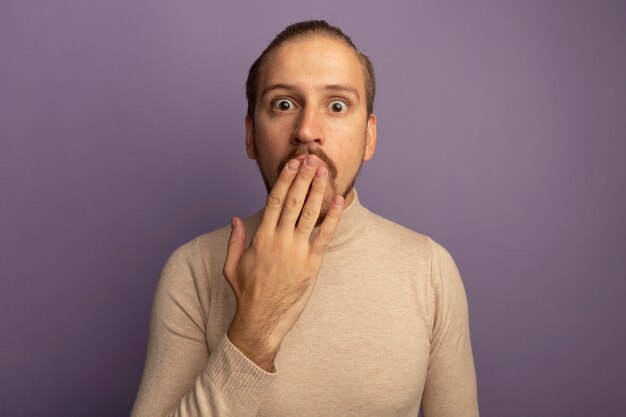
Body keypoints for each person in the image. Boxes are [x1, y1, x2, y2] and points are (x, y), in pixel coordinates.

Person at [131, 20, 479, 417]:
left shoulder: (430, 270)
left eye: (336, 105)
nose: (307, 131)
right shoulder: (192, 270)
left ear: (369, 137)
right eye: (283, 104)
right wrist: (253, 332)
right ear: (250, 136)